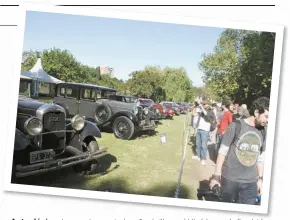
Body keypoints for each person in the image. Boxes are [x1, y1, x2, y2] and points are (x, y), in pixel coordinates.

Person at [209, 97, 269, 205]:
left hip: (251, 183)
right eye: (266, 116)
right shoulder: (236, 126)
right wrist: (216, 176)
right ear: (256, 113)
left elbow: (260, 158)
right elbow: (222, 152)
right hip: (230, 180)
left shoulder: (263, 131)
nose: (268, 120)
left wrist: (260, 179)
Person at [192, 101, 216, 166]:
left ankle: (203, 159)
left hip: (205, 130)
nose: (204, 105)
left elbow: (206, 114)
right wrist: (195, 106)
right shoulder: (202, 110)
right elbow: (194, 114)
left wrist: (201, 107)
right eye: (203, 104)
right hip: (199, 128)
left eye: (205, 104)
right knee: (198, 143)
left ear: (208, 105)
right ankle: (197, 155)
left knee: (204, 145)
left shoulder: (211, 111)